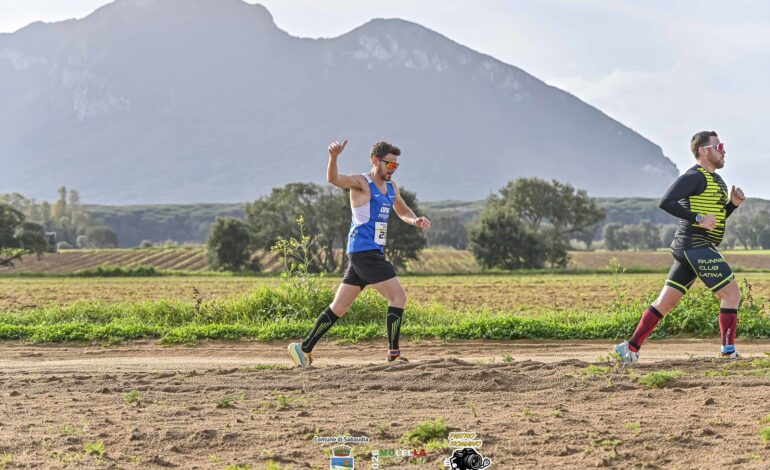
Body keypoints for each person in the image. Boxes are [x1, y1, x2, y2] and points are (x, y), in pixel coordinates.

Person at [288, 139, 431, 367]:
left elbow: (402, 209)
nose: (393, 169)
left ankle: (303, 349)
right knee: (398, 297)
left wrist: (415, 221)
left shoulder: (391, 188)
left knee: (339, 307)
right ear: (375, 161)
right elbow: (334, 179)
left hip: (366, 253)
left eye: (396, 165)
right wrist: (333, 157)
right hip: (365, 253)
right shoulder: (362, 183)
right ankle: (393, 354)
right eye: (390, 164)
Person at [615, 131, 746, 365]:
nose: (723, 150)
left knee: (666, 302)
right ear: (703, 151)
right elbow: (666, 202)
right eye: (719, 146)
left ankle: (630, 347)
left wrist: (732, 206)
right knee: (731, 294)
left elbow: (714, 219)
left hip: (692, 248)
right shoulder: (694, 176)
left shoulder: (716, 180)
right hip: (695, 245)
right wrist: (697, 218)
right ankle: (728, 352)